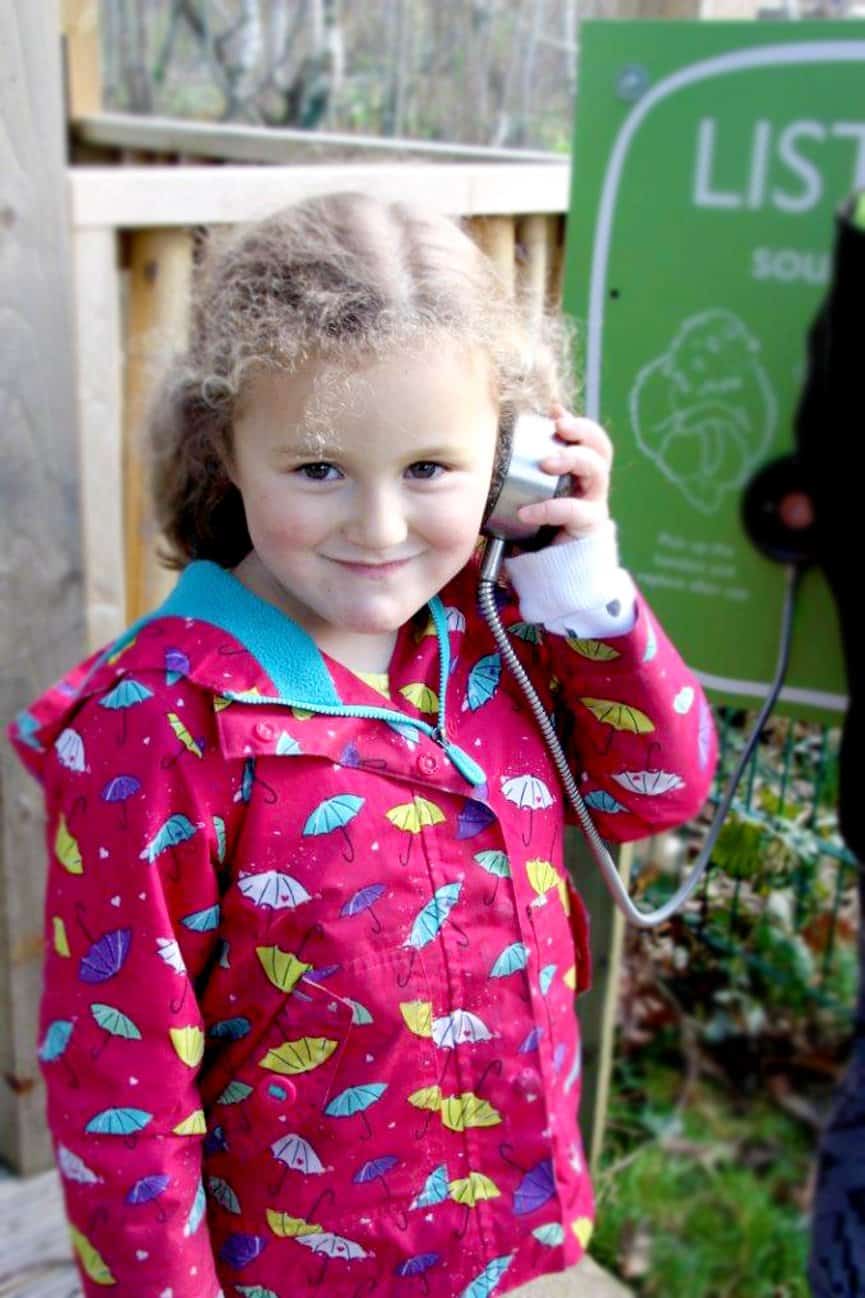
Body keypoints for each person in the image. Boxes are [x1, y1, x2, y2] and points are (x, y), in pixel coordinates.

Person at [7, 192, 717, 1298]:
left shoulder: (506, 625)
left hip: (506, 1234)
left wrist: (580, 584)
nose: (380, 529)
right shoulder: (157, 728)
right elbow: (122, 1088)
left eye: (432, 468)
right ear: (225, 448)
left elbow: (656, 791)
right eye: (319, 469)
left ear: (513, 454)